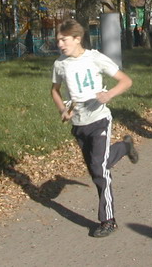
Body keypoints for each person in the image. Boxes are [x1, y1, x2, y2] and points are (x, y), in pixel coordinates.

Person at [51, 19, 138, 238]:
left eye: (64, 40)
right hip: (79, 124)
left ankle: (108, 220)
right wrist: (63, 109)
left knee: (100, 171)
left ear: (77, 39)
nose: (60, 44)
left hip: (100, 119)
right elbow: (55, 90)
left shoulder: (95, 58)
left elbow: (125, 81)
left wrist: (109, 95)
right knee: (95, 167)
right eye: (58, 40)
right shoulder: (60, 64)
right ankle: (125, 147)